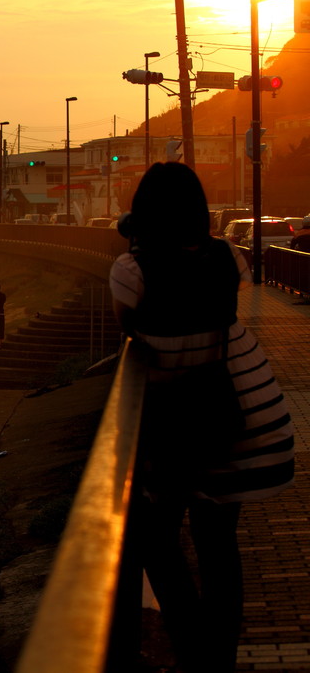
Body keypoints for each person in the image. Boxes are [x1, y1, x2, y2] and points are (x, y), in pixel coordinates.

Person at [109, 162, 294, 672]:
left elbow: (131, 329)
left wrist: (135, 245)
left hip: (179, 426)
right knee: (217, 544)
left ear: (141, 212)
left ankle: (192, 644)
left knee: (154, 538)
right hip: (247, 414)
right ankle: (219, 658)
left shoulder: (132, 270)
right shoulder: (227, 256)